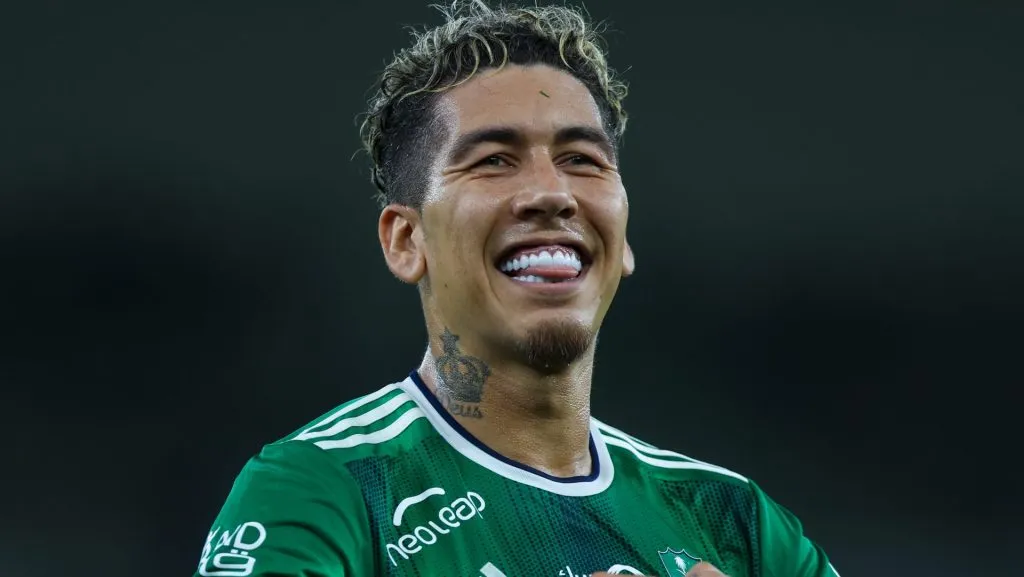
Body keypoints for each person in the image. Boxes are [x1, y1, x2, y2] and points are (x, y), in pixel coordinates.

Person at [193, 1, 841, 575]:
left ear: (624, 238)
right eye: (494, 161)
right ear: (406, 241)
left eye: (581, 160)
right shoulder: (325, 489)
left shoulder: (734, 521)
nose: (551, 193)